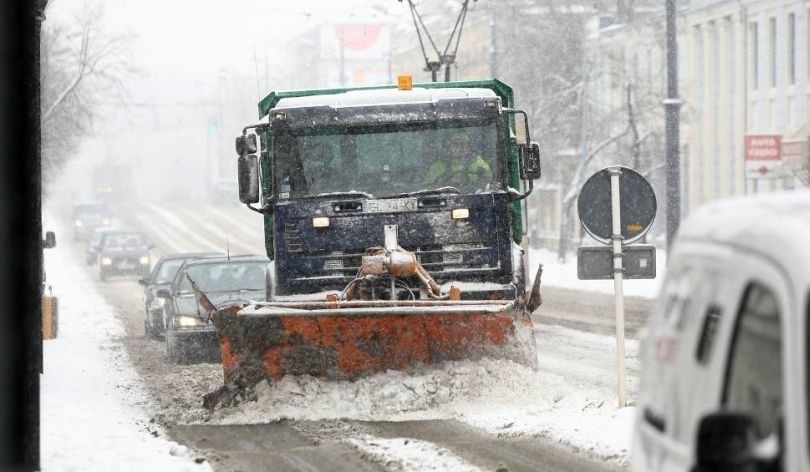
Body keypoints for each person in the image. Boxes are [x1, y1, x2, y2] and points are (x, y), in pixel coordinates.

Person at [423, 130, 492, 190]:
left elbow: (490, 183)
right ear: (449, 148)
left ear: (468, 147)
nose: (460, 147)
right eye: (455, 144)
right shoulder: (438, 167)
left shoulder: (479, 164)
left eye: (463, 144)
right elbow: (427, 188)